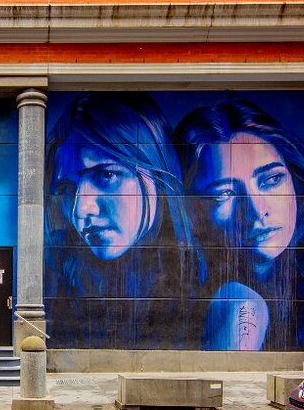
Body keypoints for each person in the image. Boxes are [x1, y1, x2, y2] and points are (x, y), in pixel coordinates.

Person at [175, 98, 304, 351]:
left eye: (271, 179)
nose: (256, 211)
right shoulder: (234, 303)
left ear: (297, 183)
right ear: (192, 211)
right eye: (223, 194)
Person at [44, 92, 197, 348]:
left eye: (106, 175)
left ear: (157, 171)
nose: (81, 210)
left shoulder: (213, 294)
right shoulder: (65, 285)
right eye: (67, 190)